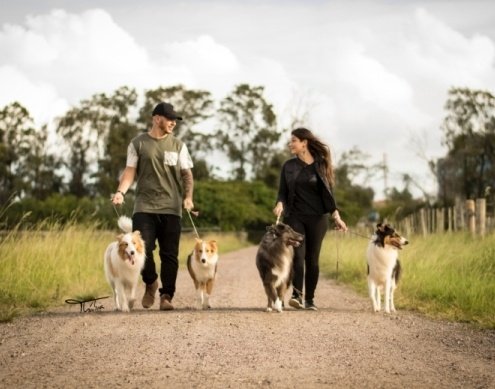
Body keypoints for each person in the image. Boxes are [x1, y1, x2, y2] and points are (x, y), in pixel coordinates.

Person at [111, 102, 194, 311]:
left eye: (175, 120)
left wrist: (188, 197)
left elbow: (187, 175)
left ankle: (166, 295)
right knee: (141, 251)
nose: (173, 123)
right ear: (157, 118)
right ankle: (150, 282)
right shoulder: (138, 144)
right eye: (170, 119)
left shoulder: (178, 145)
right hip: (144, 206)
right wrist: (121, 192)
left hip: (171, 208)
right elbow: (130, 171)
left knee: (169, 254)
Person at [273, 127, 347, 311]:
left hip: (317, 219)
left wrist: (336, 216)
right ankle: (297, 294)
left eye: (294, 141)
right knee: (298, 257)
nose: (291, 144)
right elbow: (282, 191)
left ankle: (310, 299)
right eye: (291, 141)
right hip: (294, 217)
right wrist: (280, 203)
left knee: (312, 260)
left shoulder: (320, 165)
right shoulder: (288, 166)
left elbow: (328, 194)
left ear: (304, 143)